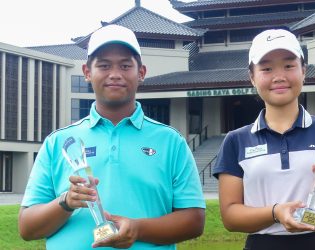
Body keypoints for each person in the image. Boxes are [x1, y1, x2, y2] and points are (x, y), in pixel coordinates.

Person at [18, 24, 205, 250]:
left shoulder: (171, 142)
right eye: (104, 66)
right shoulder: (58, 142)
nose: (115, 74)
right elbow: (27, 228)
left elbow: (194, 221)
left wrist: (138, 229)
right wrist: (66, 202)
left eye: (125, 65)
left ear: (141, 73)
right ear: (87, 72)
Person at [213, 29, 315, 250]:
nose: (279, 76)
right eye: (267, 68)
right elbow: (230, 217)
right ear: (252, 77)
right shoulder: (236, 140)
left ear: (303, 71)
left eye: (289, 66)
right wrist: (276, 212)